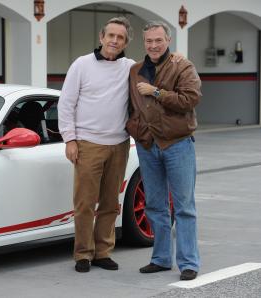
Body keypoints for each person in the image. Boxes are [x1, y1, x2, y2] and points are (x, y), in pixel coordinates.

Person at [126, 21, 201, 281]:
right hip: (148, 146)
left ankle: (189, 263)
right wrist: (133, 128)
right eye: (149, 41)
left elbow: (190, 100)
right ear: (144, 43)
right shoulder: (135, 70)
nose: (154, 45)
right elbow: (130, 105)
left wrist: (157, 92)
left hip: (177, 144)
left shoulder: (183, 66)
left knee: (184, 208)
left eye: (158, 40)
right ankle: (160, 259)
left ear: (168, 40)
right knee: (155, 206)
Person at [58, 17, 134, 273]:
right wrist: (70, 139)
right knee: (85, 203)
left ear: (126, 42)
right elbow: (66, 103)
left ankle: (103, 252)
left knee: (111, 203)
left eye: (120, 37)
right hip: (88, 143)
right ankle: (82, 254)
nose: (114, 41)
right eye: (110, 35)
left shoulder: (130, 67)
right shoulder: (82, 65)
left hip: (120, 144)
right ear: (101, 37)